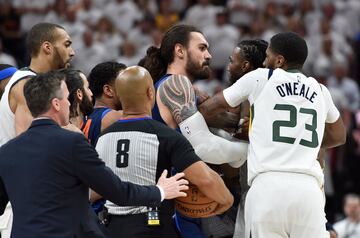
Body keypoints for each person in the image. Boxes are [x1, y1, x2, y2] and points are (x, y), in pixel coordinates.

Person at [0, 70, 189, 238]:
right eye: (67, 98)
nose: (70, 103)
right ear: (56, 104)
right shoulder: (71, 142)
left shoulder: (7, 152)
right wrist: (160, 190)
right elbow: (117, 191)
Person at [200, 32, 347, 238]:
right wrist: (297, 142)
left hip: (268, 187)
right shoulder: (320, 90)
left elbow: (208, 110)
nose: (264, 60)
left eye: (267, 56)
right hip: (308, 191)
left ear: (279, 60)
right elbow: (339, 136)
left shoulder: (262, 77)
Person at [95, 66, 233, 238]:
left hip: (110, 228)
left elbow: (93, 192)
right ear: (150, 93)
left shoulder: (102, 138)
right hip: (151, 227)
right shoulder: (165, 136)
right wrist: (227, 200)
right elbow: (206, 180)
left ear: (119, 97)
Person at [142, 24, 248, 238]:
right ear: (179, 51)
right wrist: (248, 151)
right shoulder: (176, 83)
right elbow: (203, 146)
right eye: (201, 48)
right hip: (173, 196)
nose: (209, 55)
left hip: (171, 195)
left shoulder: (172, 86)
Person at [0, 22, 75, 238]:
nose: (72, 51)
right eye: (67, 44)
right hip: (20, 207)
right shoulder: (26, 85)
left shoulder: (32, 83)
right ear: (47, 47)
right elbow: (28, 149)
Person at [226, 39, 268, 238]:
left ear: (246, 66)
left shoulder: (258, 89)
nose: (228, 66)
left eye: (231, 61)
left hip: (260, 193)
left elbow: (209, 111)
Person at [82, 61, 125, 147]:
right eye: (125, 82)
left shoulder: (82, 116)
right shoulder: (116, 117)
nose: (130, 87)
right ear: (108, 90)